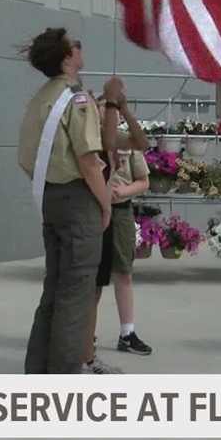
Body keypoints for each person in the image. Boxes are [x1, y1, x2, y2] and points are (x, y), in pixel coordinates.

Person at [16, 27, 123, 374]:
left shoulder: (41, 97)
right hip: (78, 200)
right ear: (67, 57)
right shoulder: (76, 99)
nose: (80, 48)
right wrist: (105, 205)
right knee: (76, 295)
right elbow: (89, 160)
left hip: (49, 196)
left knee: (54, 288)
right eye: (76, 45)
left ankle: (38, 371)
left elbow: (25, 156)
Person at [82, 94, 153, 374]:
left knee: (122, 272)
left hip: (120, 211)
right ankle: (88, 336)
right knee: (93, 280)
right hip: (93, 213)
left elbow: (143, 180)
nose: (110, 114)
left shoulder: (126, 142)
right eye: (104, 108)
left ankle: (127, 332)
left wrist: (124, 191)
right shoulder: (87, 139)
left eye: (113, 110)